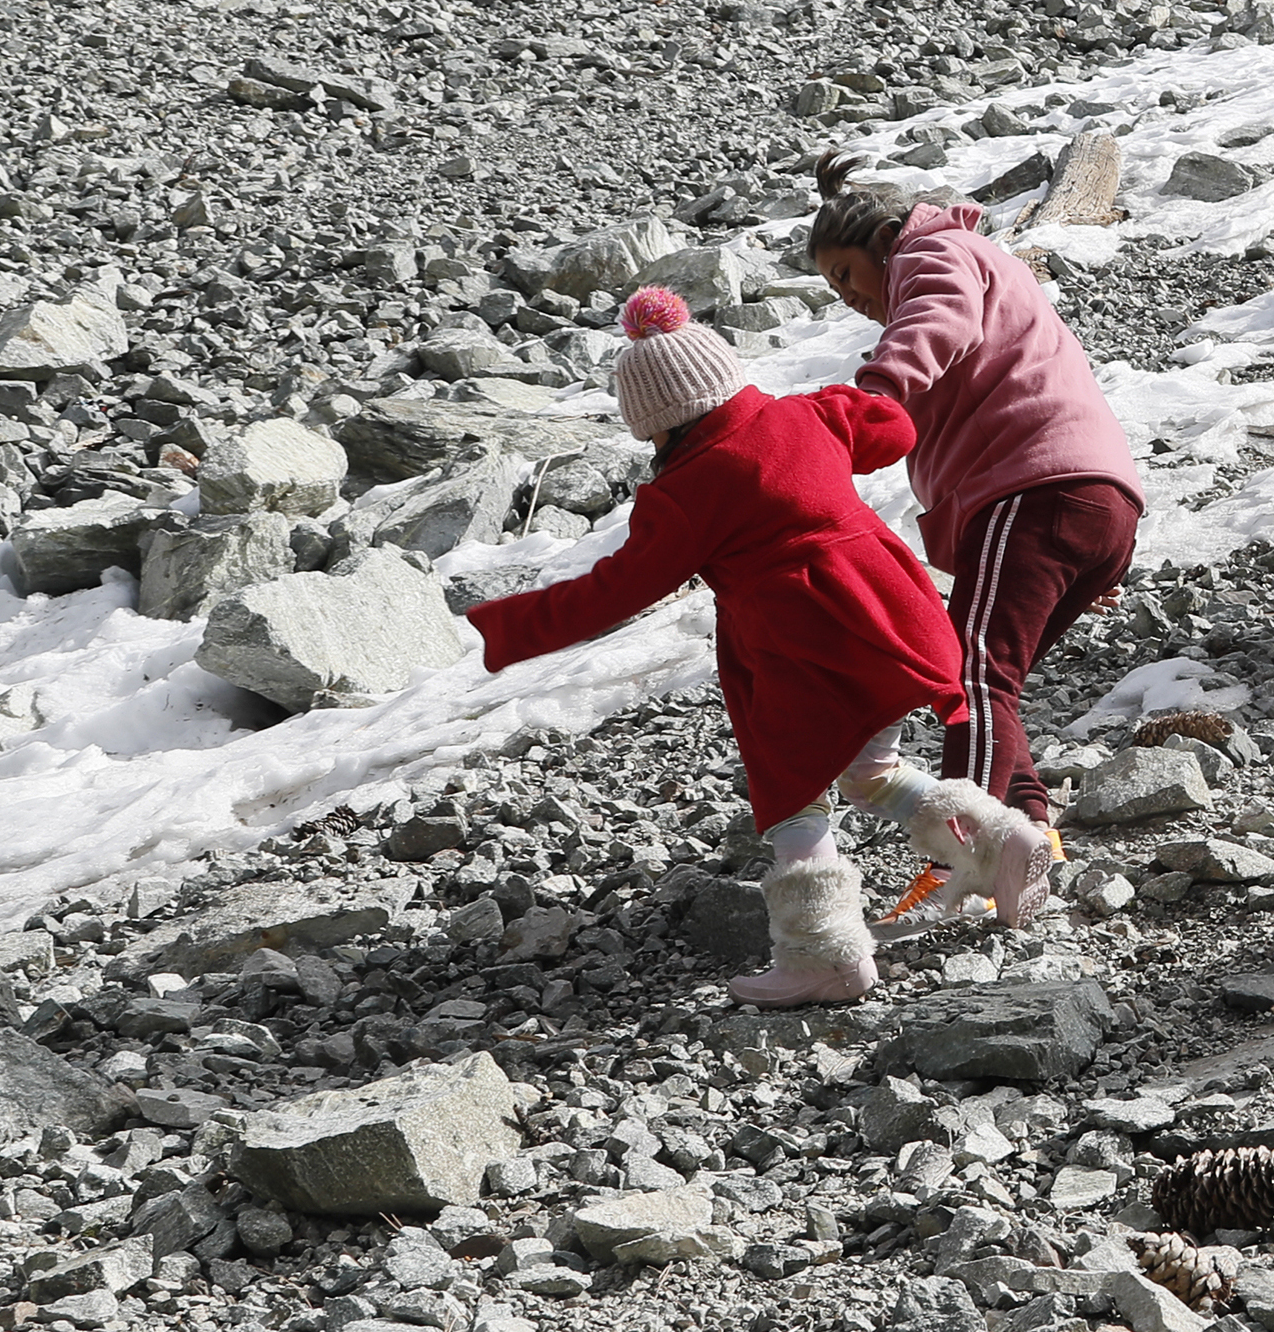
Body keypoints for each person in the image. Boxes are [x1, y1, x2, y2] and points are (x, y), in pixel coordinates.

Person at [466, 287, 1053, 1009]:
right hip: (892, 619)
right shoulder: (807, 414)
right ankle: (999, 842)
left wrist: (508, 626)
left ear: (657, 425)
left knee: (793, 801)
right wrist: (844, 403)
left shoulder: (686, 489)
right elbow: (892, 431)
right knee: (869, 774)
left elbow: (615, 590)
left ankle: (824, 958)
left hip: (802, 650)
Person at [809, 155, 1142, 921]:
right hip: (1084, 498)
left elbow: (937, 319)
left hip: (1033, 490)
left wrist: (875, 393)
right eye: (832, 287)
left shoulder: (929, 252)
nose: (850, 296)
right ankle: (1031, 845)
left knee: (969, 677)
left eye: (847, 273)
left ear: (884, 240)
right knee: (993, 682)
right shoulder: (968, 259)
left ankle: (962, 855)